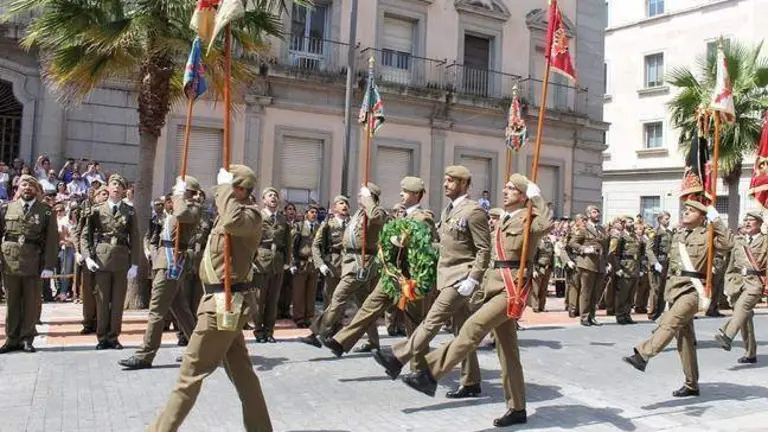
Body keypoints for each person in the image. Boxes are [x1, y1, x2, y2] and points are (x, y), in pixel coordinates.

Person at [400, 173, 551, 428]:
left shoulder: (530, 218)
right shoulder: (503, 219)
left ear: (524, 195)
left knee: (472, 328)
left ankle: (430, 373)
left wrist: (538, 197)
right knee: (508, 352)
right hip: (493, 285)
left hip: (511, 289)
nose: (505, 191)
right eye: (505, 187)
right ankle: (517, 407)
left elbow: (547, 226)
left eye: (512, 189)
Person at [149, 165, 272, 431]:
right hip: (221, 303)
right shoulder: (230, 211)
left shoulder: (250, 216)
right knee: (243, 374)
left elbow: (232, 221)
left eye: (227, 188)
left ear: (239, 189)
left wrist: (225, 189)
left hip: (222, 305)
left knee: (188, 376)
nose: (219, 193)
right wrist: (182, 194)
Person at [373, 168, 489, 399]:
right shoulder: (448, 210)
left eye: (451, 181)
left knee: (431, 321)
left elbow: (484, 250)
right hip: (446, 277)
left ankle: (398, 358)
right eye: (445, 180)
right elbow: (446, 246)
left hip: (460, 278)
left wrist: (473, 278)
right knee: (462, 332)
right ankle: (471, 381)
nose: (445, 184)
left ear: (465, 183)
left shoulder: (473, 211)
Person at [318, 177, 437, 362]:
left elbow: (425, 248)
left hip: (410, 279)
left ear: (415, 195)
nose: (400, 194)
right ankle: (341, 341)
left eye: (404, 191)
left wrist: (367, 199)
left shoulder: (423, 218)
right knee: (368, 306)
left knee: (413, 322)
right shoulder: (401, 215)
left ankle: (420, 367)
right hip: (392, 275)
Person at [623, 200, 731, 397]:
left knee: (669, 323)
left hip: (693, 290)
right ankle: (692, 384)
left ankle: (643, 355)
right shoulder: (678, 234)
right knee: (685, 339)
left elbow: (728, 244)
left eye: (691, 211)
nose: (686, 212)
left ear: (702, 216)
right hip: (674, 289)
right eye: (685, 210)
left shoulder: (708, 234)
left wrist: (717, 221)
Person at [118, 176, 202, 370]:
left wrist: (180, 196)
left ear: (188, 192)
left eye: (179, 189)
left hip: (171, 264)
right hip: (164, 262)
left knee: (156, 311)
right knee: (181, 310)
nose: (174, 192)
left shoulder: (192, 209)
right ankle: (199, 350)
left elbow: (182, 215)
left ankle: (145, 354)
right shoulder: (174, 209)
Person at [300, 183, 386, 350]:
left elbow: (376, 217)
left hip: (361, 263)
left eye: (362, 195)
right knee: (364, 306)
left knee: (338, 297)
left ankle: (317, 333)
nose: (359, 198)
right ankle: (374, 342)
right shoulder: (359, 214)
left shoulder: (376, 212)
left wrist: (369, 198)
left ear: (371, 197)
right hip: (350, 262)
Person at [81, 174, 141, 349]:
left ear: (124, 190)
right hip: (101, 258)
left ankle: (113, 336)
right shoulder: (97, 210)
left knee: (117, 301)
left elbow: (135, 237)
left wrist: (135, 263)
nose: (116, 187)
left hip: (121, 258)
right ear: (107, 188)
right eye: (113, 184)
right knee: (101, 299)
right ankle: (102, 337)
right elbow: (85, 235)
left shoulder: (129, 211)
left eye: (119, 185)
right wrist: (87, 257)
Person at [0, 175, 58, 354]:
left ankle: (26, 338)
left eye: (31, 186)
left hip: (34, 261)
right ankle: (11, 338)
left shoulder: (46, 211)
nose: (27, 188)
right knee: (12, 302)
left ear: (36, 190)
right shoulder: (6, 208)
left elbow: (51, 241)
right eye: (24, 184)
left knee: (31, 302)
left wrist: (48, 265)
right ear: (18, 187)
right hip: (10, 261)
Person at [714, 210, 765, 364]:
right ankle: (750, 353)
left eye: (751, 220)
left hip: (755, 282)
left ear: (760, 224)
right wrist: (728, 281)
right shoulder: (738, 240)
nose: (747, 223)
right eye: (746, 220)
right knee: (745, 318)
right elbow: (730, 264)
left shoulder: (765, 241)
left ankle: (727, 335)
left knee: (741, 308)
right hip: (738, 282)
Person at [250, 187, 292, 343]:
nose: (274, 197)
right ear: (264, 200)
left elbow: (288, 242)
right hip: (261, 261)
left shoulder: (282, 219)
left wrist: (287, 261)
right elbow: (251, 240)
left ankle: (269, 331)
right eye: (270, 195)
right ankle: (258, 331)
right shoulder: (258, 217)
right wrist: (251, 261)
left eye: (275, 195)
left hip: (278, 262)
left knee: (273, 300)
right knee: (259, 300)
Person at [569, 205, 610, 326]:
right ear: (588, 215)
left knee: (596, 292)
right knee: (586, 291)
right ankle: (584, 317)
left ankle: (592, 316)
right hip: (587, 263)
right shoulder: (583, 229)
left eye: (598, 212)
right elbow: (572, 243)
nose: (597, 214)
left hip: (600, 264)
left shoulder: (602, 229)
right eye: (594, 212)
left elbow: (605, 247)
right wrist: (584, 248)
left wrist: (606, 262)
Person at [312, 196, 350, 314]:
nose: (345, 206)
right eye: (341, 203)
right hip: (333, 264)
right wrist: (321, 264)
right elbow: (316, 245)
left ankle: (338, 325)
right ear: (335, 208)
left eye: (347, 204)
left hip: (348, 263)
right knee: (330, 297)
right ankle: (327, 327)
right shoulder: (328, 224)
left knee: (343, 297)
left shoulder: (352, 224)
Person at [290, 204, 321, 328]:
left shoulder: (320, 227)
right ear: (306, 213)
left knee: (311, 292)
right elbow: (292, 246)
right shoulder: (299, 226)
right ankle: (299, 317)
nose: (314, 214)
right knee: (299, 292)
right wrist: (292, 262)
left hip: (314, 264)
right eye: (312, 211)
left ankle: (309, 317)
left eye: (316, 212)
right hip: (301, 263)